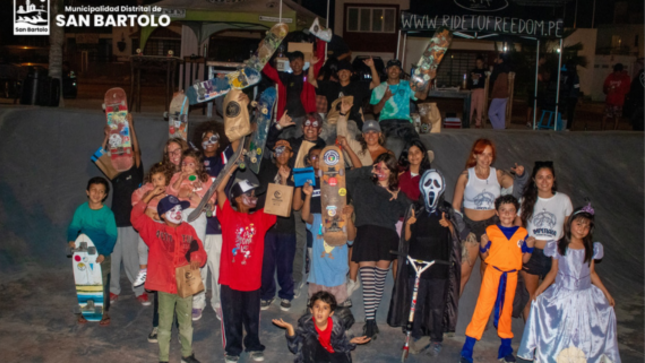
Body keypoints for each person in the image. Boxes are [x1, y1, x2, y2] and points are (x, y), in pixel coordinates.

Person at [517, 204, 620, 363]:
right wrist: (539, 291)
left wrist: (607, 294)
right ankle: (558, 357)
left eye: (586, 226)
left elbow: (592, 273)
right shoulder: (558, 246)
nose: (582, 228)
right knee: (561, 329)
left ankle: (582, 358)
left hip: (585, 297)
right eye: (579, 223)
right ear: (569, 223)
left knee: (583, 330)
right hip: (563, 296)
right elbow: (553, 272)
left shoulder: (591, 248)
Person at [387, 169, 461, 356]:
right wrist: (409, 224)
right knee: (416, 304)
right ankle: (416, 335)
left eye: (436, 184)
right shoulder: (415, 209)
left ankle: (436, 338)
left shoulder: (446, 210)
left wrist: (449, 226)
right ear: (422, 186)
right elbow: (407, 238)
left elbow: (454, 241)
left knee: (437, 306)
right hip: (416, 266)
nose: (431, 188)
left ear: (442, 187)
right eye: (428, 183)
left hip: (439, 269)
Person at [131, 193, 206, 363]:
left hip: (185, 281)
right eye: (173, 209)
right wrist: (148, 196)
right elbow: (136, 218)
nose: (178, 212)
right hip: (164, 284)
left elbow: (198, 248)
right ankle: (163, 358)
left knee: (186, 323)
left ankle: (187, 354)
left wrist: (196, 258)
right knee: (164, 325)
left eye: (180, 209)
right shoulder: (155, 230)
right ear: (163, 215)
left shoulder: (188, 229)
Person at [459, 195, 534, 363]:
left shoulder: (522, 233)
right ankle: (467, 349)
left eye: (511, 211)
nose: (507, 214)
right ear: (497, 213)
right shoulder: (491, 231)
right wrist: (484, 246)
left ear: (515, 213)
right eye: (503, 210)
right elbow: (485, 257)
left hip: (511, 276)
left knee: (506, 311)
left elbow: (524, 260)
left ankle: (505, 349)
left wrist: (529, 248)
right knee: (482, 308)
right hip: (493, 274)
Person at [215, 164, 277, 363]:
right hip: (230, 279)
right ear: (237, 199)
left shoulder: (260, 218)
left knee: (252, 317)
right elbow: (219, 190)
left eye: (253, 194)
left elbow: (279, 203)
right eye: (249, 194)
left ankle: (253, 344)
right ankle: (232, 349)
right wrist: (230, 170)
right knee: (231, 316)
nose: (253, 197)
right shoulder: (228, 216)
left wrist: (282, 181)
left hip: (252, 280)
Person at [346, 153, 411, 339]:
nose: (381, 171)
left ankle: (372, 320)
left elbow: (411, 210)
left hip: (387, 236)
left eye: (385, 168)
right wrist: (369, 168)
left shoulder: (395, 191)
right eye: (378, 167)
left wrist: (398, 196)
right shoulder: (362, 185)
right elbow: (347, 177)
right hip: (365, 233)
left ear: (392, 172)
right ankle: (370, 322)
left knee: (379, 282)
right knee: (367, 281)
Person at [452, 138, 527, 296]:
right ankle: (448, 314)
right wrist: (463, 230)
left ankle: (484, 314)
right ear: (475, 155)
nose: (486, 159)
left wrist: (521, 176)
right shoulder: (466, 176)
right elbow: (455, 206)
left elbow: (518, 195)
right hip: (470, 229)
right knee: (462, 273)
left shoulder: (499, 175)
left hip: (491, 228)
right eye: (482, 154)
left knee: (488, 272)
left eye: (489, 155)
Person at [94, 113, 148, 306]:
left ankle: (139, 290)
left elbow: (138, 150)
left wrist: (131, 126)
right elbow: (98, 155)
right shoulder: (115, 172)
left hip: (132, 221)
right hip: (114, 221)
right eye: (125, 152)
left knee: (133, 258)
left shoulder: (136, 170)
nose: (129, 155)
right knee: (114, 257)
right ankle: (113, 290)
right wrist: (107, 136)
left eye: (131, 153)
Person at [516, 161, 572, 321]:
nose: (544, 181)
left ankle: (549, 339)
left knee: (552, 299)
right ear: (534, 179)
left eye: (548, 177)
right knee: (530, 298)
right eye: (540, 177)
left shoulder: (564, 200)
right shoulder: (526, 200)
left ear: (554, 179)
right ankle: (530, 340)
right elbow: (517, 228)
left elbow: (570, 229)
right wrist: (522, 247)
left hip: (554, 257)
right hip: (532, 254)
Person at [192, 122, 233, 322]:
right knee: (198, 266)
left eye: (213, 139)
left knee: (217, 268)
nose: (209, 142)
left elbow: (238, 140)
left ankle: (218, 303)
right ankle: (197, 302)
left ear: (219, 144)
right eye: (205, 139)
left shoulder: (224, 160)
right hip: (198, 224)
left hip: (217, 225)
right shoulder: (194, 162)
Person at [167, 150, 214, 320]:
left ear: (198, 165)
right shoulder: (176, 177)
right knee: (181, 257)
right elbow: (169, 196)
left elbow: (210, 204)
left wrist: (192, 194)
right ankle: (185, 297)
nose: (187, 167)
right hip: (178, 217)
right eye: (184, 163)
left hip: (197, 217)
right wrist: (180, 180)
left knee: (196, 256)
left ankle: (198, 302)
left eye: (191, 163)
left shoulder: (206, 179)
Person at [67, 177, 117, 326]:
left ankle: (103, 311)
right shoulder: (81, 210)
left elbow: (112, 236)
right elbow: (74, 226)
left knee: (101, 284)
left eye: (101, 191)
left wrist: (104, 253)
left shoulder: (107, 214)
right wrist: (71, 239)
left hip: (102, 255)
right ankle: (87, 309)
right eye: (94, 190)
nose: (97, 194)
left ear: (105, 195)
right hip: (84, 255)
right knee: (85, 282)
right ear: (87, 192)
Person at [272, 291, 370, 363]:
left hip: (334, 353)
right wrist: (290, 329)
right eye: (317, 306)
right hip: (316, 356)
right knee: (310, 341)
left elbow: (342, 345)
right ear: (311, 310)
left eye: (325, 308)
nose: (320, 311)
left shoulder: (337, 326)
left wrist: (351, 341)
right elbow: (295, 349)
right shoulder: (305, 325)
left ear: (331, 313)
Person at [301, 182, 357, 307]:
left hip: (337, 278)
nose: (333, 204)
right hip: (317, 276)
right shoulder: (319, 219)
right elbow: (305, 216)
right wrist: (308, 196)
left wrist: (348, 218)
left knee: (335, 311)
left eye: (337, 201)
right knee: (316, 310)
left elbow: (351, 238)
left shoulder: (345, 222)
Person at [256, 140, 296, 311]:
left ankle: (286, 294)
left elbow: (294, 204)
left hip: (286, 226)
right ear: (273, 153)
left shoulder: (296, 173)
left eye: (286, 150)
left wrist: (285, 181)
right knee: (266, 263)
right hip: (266, 226)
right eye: (278, 150)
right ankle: (266, 294)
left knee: (286, 264)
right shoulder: (264, 168)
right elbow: (258, 141)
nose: (282, 154)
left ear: (291, 154)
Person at [262, 39, 326, 132]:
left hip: (304, 119)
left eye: (299, 60)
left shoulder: (309, 76)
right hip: (286, 118)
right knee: (283, 143)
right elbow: (267, 70)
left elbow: (319, 60)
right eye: (293, 61)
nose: (296, 63)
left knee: (301, 144)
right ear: (290, 64)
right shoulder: (284, 77)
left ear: (303, 62)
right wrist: (263, 50)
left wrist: (321, 40)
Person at [130, 163, 174, 288]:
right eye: (154, 180)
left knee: (161, 252)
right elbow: (135, 197)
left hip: (162, 226)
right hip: (147, 225)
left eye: (160, 179)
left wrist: (160, 216)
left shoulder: (169, 191)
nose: (156, 183)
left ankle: (164, 274)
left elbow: (175, 210)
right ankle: (143, 270)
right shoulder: (148, 189)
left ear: (166, 178)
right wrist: (145, 200)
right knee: (141, 247)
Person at [309, 58, 380, 128]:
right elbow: (311, 80)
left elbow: (376, 83)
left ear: (351, 73)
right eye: (341, 71)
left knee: (346, 134)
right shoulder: (330, 86)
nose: (343, 73)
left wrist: (372, 66)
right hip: (333, 121)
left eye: (346, 71)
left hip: (351, 122)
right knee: (321, 134)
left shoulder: (358, 86)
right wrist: (311, 65)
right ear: (337, 74)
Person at [370, 59, 429, 140]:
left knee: (415, 143)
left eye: (396, 68)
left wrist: (429, 79)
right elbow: (375, 111)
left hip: (405, 122)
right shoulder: (379, 88)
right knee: (387, 143)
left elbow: (422, 96)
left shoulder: (408, 85)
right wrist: (384, 98)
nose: (394, 70)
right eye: (391, 68)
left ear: (400, 71)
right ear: (386, 70)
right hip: (386, 122)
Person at [336, 99, 389, 168]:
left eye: (374, 132)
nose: (371, 135)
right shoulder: (356, 147)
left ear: (379, 134)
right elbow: (342, 136)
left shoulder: (387, 153)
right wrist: (342, 114)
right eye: (367, 132)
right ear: (363, 135)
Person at [602, 63, 632, 130]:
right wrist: (608, 89)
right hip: (610, 100)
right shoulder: (610, 76)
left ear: (621, 71)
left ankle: (614, 130)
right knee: (605, 115)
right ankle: (602, 129)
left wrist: (616, 90)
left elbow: (627, 90)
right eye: (615, 72)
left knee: (617, 117)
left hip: (618, 101)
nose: (616, 74)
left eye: (618, 72)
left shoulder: (625, 78)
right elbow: (605, 86)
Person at [488, 53, 511, 130]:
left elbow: (492, 78)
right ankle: (502, 127)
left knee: (491, 113)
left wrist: (495, 65)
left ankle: (500, 128)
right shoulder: (507, 68)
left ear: (501, 60)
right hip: (505, 94)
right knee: (501, 114)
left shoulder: (498, 68)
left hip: (499, 93)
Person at [468, 56, 487, 128]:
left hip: (481, 90)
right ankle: (468, 121)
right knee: (471, 106)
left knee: (479, 106)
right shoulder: (473, 71)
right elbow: (470, 80)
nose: (478, 64)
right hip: (474, 90)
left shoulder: (485, 71)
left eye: (479, 62)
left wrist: (478, 77)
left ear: (482, 63)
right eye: (477, 63)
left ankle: (478, 122)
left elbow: (485, 80)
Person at [562, 61, 580, 130]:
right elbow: (577, 87)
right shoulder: (574, 75)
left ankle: (567, 126)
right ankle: (568, 126)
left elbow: (576, 87)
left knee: (567, 112)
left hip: (568, 95)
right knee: (570, 112)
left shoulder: (566, 74)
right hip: (571, 96)